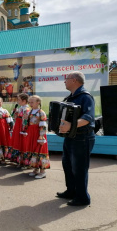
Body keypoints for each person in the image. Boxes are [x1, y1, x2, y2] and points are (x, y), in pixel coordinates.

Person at [58, 71, 95, 206]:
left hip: (82, 137)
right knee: (67, 165)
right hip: (70, 137)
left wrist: (71, 125)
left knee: (79, 168)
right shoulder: (71, 97)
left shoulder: (85, 97)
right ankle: (71, 191)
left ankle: (82, 198)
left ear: (74, 80)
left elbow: (88, 117)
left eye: (66, 79)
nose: (64, 81)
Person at [26, 95, 50, 179]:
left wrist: (41, 136)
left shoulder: (41, 112)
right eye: (29, 102)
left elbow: (43, 126)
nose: (30, 104)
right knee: (33, 150)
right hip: (31, 134)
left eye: (32, 102)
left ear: (38, 102)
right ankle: (35, 169)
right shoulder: (30, 111)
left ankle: (42, 171)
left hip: (38, 134)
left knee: (40, 150)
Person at [10, 93, 30, 166]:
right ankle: (18, 159)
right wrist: (14, 112)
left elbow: (25, 120)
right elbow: (15, 117)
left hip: (22, 128)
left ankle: (24, 161)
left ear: (24, 101)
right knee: (17, 141)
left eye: (19, 100)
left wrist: (24, 130)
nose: (18, 101)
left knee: (22, 143)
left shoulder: (26, 109)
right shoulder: (20, 108)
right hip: (17, 127)